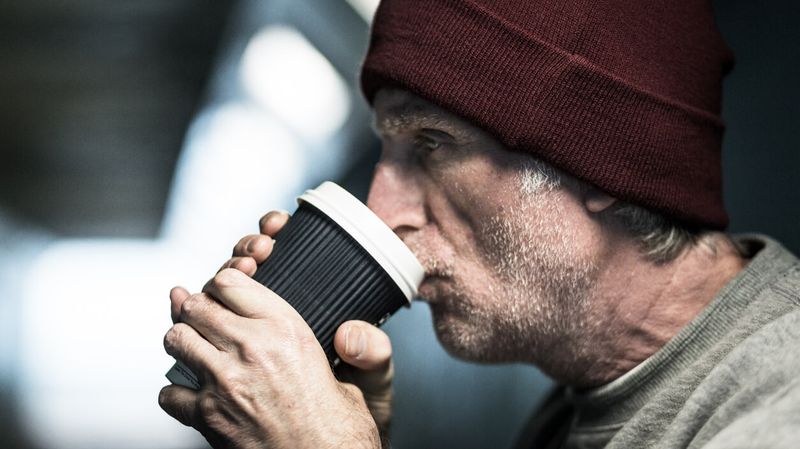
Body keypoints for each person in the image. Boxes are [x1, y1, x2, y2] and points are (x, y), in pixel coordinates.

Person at [158, 0, 800, 448]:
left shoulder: (779, 412)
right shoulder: (592, 400)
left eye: (432, 142)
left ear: (601, 164)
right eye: (386, 151)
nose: (385, 209)